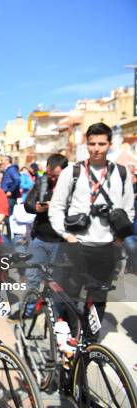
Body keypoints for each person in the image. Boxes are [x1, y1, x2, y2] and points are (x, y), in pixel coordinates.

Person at [49, 122, 134, 340]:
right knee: (71, 296)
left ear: (110, 144)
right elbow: (57, 206)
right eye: (92, 144)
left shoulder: (121, 173)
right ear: (87, 144)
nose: (96, 148)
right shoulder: (72, 171)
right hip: (77, 244)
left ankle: (89, 341)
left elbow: (128, 209)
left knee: (99, 296)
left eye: (101, 144)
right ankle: (68, 341)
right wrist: (66, 235)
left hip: (107, 246)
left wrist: (118, 239)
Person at [19, 153, 68, 317]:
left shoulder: (72, 186)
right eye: (50, 175)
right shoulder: (42, 181)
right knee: (32, 277)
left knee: (57, 282)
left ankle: (57, 317)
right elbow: (28, 204)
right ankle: (28, 311)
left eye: (56, 176)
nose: (52, 179)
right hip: (40, 238)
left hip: (62, 241)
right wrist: (37, 208)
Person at [0, 155, 21, 237]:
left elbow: (17, 180)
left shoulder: (12, 169)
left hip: (10, 197)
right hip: (7, 196)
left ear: (7, 161)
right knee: (7, 217)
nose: (1, 162)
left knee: (8, 217)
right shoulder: (8, 170)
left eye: (2, 160)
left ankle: (10, 236)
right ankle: (9, 235)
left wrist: (10, 191)